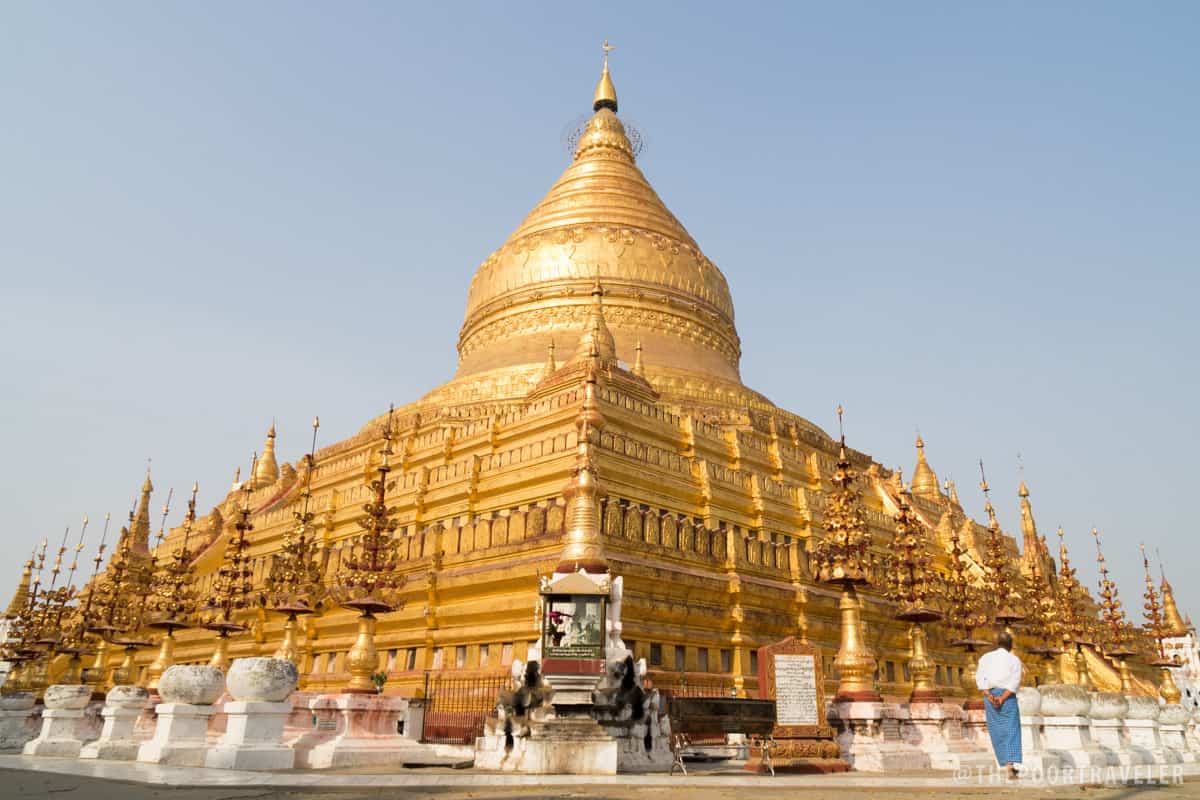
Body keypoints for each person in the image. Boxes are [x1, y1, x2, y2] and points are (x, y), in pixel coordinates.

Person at [975, 630, 1023, 779]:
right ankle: (1010, 766)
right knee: (1011, 730)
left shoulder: (985, 658)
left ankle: (1004, 763)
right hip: (1007, 697)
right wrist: (1002, 698)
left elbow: (980, 678)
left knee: (997, 730)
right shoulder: (1014, 660)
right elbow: (1014, 681)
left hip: (990, 695)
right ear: (1010, 646)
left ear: (997, 644)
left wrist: (990, 696)